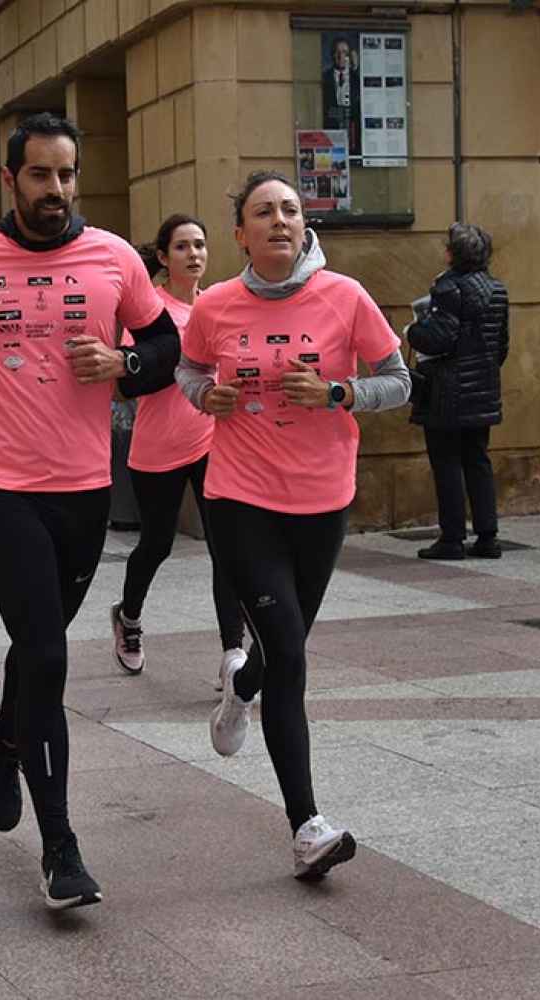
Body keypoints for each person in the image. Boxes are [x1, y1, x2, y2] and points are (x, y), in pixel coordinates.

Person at [0, 112, 181, 910]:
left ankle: (5, 740)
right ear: (9, 179)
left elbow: (165, 352)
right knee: (46, 652)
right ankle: (61, 850)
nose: (54, 191)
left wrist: (124, 360)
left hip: (86, 485)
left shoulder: (116, 257)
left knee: (39, 641)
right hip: (1, 483)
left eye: (65, 176)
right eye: (39, 175)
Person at [178, 170, 410, 880]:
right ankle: (306, 824)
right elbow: (187, 375)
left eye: (289, 209)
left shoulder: (345, 297)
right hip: (240, 500)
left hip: (321, 502)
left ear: (304, 223)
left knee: (280, 651)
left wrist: (340, 391)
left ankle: (240, 687)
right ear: (240, 233)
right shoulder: (214, 305)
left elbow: (398, 380)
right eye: (262, 212)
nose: (279, 220)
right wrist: (206, 397)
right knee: (290, 655)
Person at [110, 213, 245, 688]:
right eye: (183, 247)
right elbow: (131, 382)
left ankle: (234, 654)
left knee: (226, 549)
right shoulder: (151, 315)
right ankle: (128, 618)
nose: (195, 254)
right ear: (164, 258)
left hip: (213, 442)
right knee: (156, 544)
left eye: (201, 245)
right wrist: (178, 362)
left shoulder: (218, 307)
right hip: (159, 447)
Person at [408, 224, 510, 560]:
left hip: (447, 391)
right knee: (477, 459)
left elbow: (439, 338)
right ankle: (487, 536)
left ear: (453, 254)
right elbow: (501, 346)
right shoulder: (498, 290)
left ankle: (451, 539)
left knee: (447, 462)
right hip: (483, 388)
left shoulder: (449, 288)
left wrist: (413, 332)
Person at [321, 37, 361, 151]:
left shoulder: (356, 79)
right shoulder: (324, 78)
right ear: (332, 55)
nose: (340, 56)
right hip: (330, 136)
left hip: (352, 137)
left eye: (344, 52)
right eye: (337, 52)